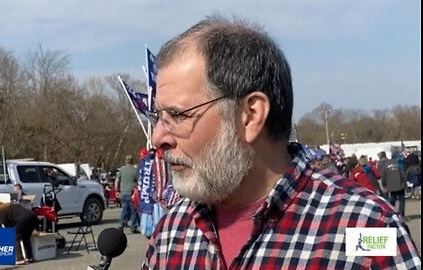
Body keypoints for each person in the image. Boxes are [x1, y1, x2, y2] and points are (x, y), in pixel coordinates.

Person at [142, 15, 420, 269]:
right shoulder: (172, 230)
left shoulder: (367, 228)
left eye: (178, 115)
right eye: (159, 117)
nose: (158, 138)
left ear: (250, 115)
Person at [116, 155, 139, 233]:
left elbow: (117, 180)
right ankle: (133, 227)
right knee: (134, 211)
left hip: (123, 193)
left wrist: (117, 191)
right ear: (132, 161)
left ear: (125, 161)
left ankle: (121, 224)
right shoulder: (135, 170)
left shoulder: (121, 170)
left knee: (125, 209)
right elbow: (139, 182)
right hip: (131, 193)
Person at [381, 151, 408, 217]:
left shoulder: (386, 164)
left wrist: (384, 184)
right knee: (401, 201)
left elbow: (383, 176)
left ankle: (392, 214)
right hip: (400, 185)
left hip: (391, 186)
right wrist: (405, 184)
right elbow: (403, 174)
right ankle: (401, 214)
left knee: (392, 200)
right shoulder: (400, 163)